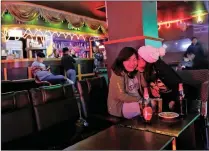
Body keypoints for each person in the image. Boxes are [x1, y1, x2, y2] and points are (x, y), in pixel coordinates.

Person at [107, 47, 144, 119]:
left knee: (152, 105)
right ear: (121, 61)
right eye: (128, 60)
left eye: (134, 59)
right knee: (144, 108)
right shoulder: (117, 74)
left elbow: (144, 85)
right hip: (120, 106)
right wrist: (140, 100)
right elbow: (121, 96)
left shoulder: (135, 72)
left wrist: (141, 71)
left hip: (135, 102)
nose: (132, 63)